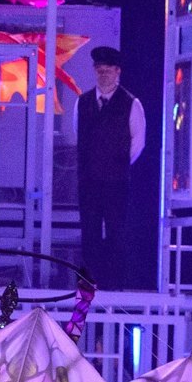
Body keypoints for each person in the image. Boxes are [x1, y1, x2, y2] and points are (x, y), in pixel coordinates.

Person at [75, 45, 146, 290]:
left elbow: (138, 141)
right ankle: (88, 283)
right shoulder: (83, 102)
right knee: (90, 231)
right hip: (89, 180)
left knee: (117, 231)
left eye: (108, 70)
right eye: (99, 70)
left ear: (118, 72)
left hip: (116, 181)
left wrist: (118, 163)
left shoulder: (131, 104)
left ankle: (115, 284)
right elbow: (79, 134)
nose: (103, 75)